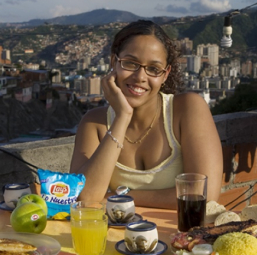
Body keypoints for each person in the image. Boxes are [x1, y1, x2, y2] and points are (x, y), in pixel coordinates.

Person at [70, 20, 222, 209]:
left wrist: (117, 198)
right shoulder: (95, 122)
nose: (140, 77)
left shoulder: (187, 109)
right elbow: (83, 198)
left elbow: (204, 196)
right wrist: (122, 116)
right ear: (113, 62)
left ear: (165, 74)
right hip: (119, 237)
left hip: (180, 236)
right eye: (130, 63)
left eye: (153, 69)